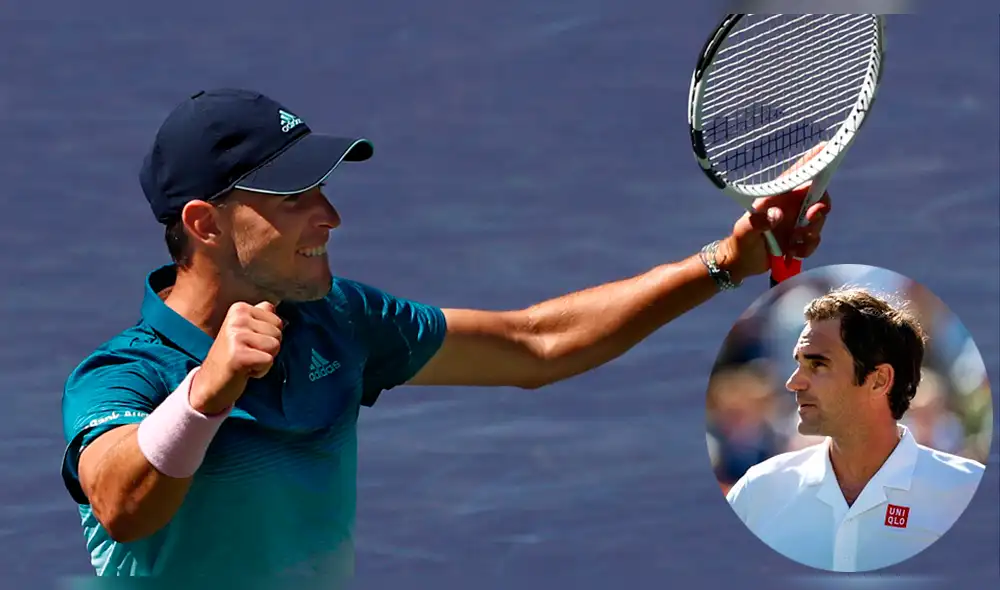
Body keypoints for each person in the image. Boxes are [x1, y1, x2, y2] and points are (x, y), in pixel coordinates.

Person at [60, 88, 829, 580]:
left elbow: (534, 345)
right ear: (205, 224)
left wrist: (724, 262)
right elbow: (125, 505)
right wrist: (205, 394)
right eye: (295, 196)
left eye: (323, 189)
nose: (330, 217)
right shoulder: (123, 376)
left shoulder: (340, 321)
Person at [725, 287, 986, 573]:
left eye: (818, 365)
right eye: (798, 364)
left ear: (879, 380)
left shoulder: (966, 490)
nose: (793, 382)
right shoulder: (757, 491)